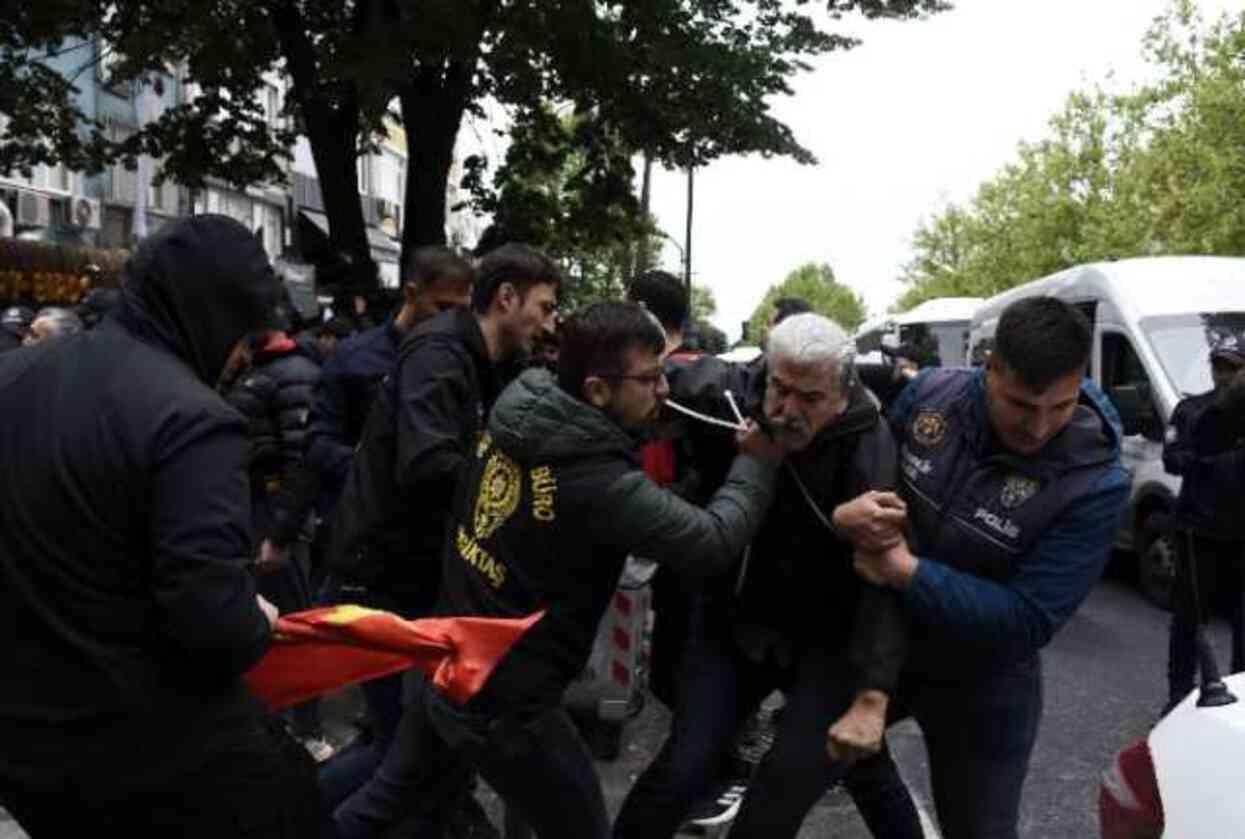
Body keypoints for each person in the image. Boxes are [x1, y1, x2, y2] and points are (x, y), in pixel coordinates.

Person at [335, 301, 784, 839]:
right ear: (596, 391)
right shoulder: (598, 483)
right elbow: (712, 541)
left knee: (385, 802)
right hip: (509, 701)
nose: (664, 389)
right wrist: (757, 461)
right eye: (650, 378)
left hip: (450, 656)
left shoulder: (521, 404)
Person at [0, 215, 322, 836]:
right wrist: (255, 618)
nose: (243, 357)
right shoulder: (190, 420)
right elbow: (214, 624)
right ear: (214, 315)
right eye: (245, 335)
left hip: (26, 745)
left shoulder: (15, 378)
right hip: (147, 751)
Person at [614, 313, 920, 839]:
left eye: (810, 398)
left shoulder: (870, 447)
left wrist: (873, 693)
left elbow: (884, 580)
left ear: (842, 395)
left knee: (787, 787)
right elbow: (638, 381)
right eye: (780, 388)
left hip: (828, 641)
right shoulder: (726, 394)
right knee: (685, 764)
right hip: (737, 622)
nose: (787, 410)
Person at [839, 296, 1131, 838]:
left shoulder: (1098, 483)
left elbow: (1027, 620)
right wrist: (850, 507)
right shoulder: (930, 395)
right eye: (1021, 405)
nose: (1039, 427)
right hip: (890, 644)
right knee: (822, 751)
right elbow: (872, 470)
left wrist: (907, 571)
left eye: (1061, 407)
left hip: (986, 685)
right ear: (989, 368)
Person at [324, 243, 559, 819]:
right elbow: (428, 466)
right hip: (383, 583)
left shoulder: (481, 362)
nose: (550, 323)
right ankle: (286, 815)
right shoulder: (440, 356)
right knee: (400, 756)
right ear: (507, 298)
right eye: (545, 307)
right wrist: (515, 492)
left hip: (412, 581)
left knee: (413, 753)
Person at [225, 327, 331, 761]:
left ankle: (308, 729)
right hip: (253, 509)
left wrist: (284, 529)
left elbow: (303, 460)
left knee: (291, 620)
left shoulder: (292, 374)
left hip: (275, 514)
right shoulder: (257, 373)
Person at [1162, 332, 1245, 712]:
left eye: (1234, 367)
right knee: (1190, 620)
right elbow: (1172, 459)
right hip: (1199, 532)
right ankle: (1178, 696)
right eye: (1219, 365)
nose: (1225, 374)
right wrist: (1207, 459)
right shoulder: (1191, 410)